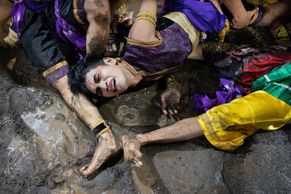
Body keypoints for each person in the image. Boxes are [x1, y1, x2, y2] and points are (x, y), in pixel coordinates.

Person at [69, 0, 231, 174]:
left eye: (98, 77)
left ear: (110, 60)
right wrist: (172, 84)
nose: (105, 84)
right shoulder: (138, 80)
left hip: (201, 9)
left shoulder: (139, 41)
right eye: (100, 90)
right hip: (208, 39)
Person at [121, 62, 291, 167]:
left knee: (224, 117)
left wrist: (142, 139)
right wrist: (173, 84)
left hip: (276, 92)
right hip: (274, 74)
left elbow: (214, 119)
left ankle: (140, 138)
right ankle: (140, 138)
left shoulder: (275, 101)